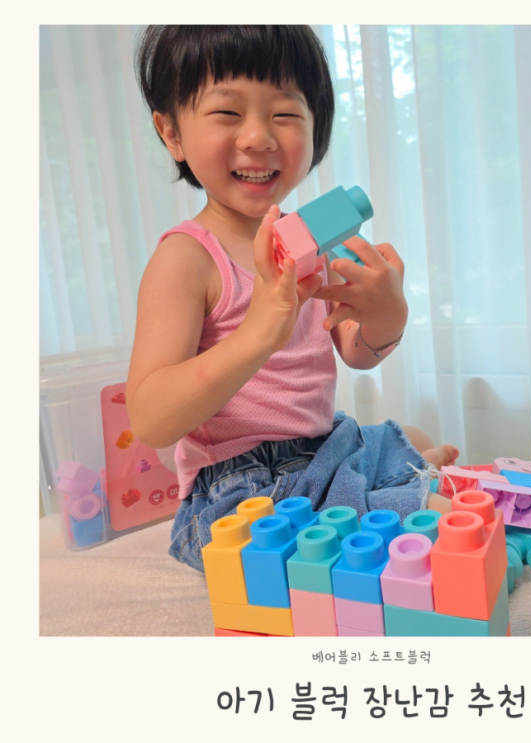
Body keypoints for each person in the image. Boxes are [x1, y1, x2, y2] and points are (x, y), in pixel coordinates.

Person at [127, 25, 457, 573]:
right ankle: (409, 484)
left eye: (284, 113)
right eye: (227, 112)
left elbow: (355, 350)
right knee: (399, 524)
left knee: (400, 437)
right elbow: (151, 420)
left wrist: (386, 316)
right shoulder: (186, 258)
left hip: (319, 448)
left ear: (315, 128)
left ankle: (407, 472)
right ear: (172, 133)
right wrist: (259, 332)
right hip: (241, 486)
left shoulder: (310, 239)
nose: (259, 137)